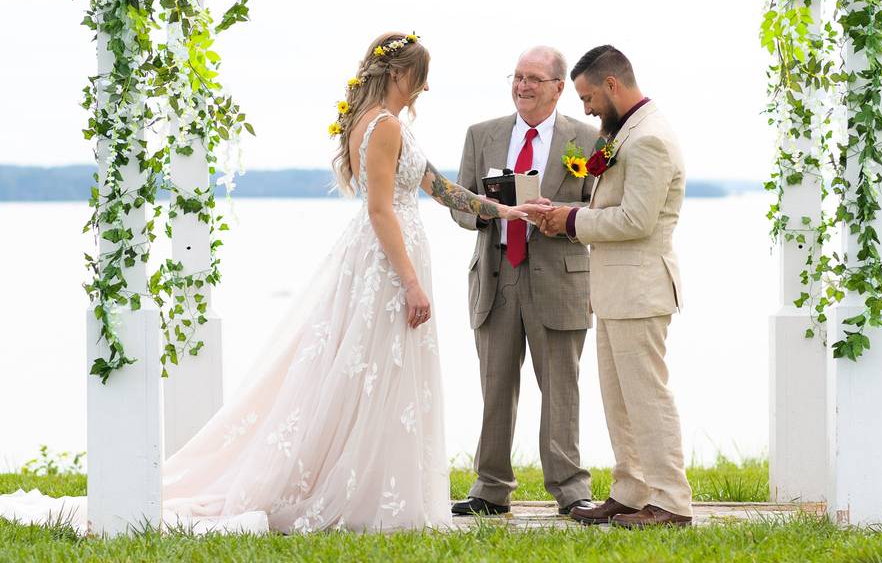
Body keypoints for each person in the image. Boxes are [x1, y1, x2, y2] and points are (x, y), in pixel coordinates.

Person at [0, 32, 547, 535]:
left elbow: (440, 187)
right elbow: (381, 209)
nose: (427, 86)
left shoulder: (385, 124)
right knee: (372, 369)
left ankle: (377, 480)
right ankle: (349, 488)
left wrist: (503, 211)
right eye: (423, 76)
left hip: (391, 254)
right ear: (405, 75)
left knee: (376, 373)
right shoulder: (384, 127)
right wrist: (411, 283)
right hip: (387, 261)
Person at [538, 45, 694, 529]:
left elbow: (636, 220)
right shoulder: (625, 130)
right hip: (614, 291)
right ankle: (630, 492)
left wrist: (570, 221)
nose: (584, 109)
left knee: (648, 397)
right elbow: (609, 196)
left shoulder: (649, 139)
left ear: (612, 85)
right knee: (619, 400)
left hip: (641, 289)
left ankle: (671, 502)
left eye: (587, 98)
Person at [449, 47, 597, 517]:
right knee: (495, 384)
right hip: (496, 274)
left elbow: (602, 206)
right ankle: (490, 488)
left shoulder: (590, 140)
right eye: (517, 77)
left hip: (559, 275)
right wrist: (491, 209)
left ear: (558, 87)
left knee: (560, 386)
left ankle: (571, 489)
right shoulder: (481, 135)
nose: (522, 86)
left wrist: (564, 215)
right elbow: (458, 202)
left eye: (534, 78)